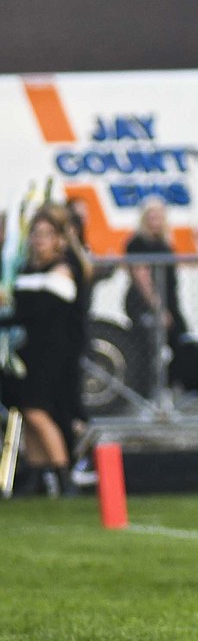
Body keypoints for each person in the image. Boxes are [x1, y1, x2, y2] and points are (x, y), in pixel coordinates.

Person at [1, 207, 83, 497]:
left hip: (52, 353)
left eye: (46, 235)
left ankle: (63, 475)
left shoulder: (62, 269)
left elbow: (39, 312)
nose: (39, 240)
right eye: (36, 234)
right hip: (27, 351)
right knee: (27, 409)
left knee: (38, 411)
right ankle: (37, 473)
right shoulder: (25, 269)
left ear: (59, 239)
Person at [124, 196, 189, 392]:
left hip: (169, 302)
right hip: (146, 304)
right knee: (147, 347)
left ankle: (173, 385)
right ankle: (147, 393)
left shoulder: (164, 242)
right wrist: (158, 308)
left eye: (159, 216)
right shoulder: (137, 243)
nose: (155, 220)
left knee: (181, 340)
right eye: (151, 216)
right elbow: (141, 277)